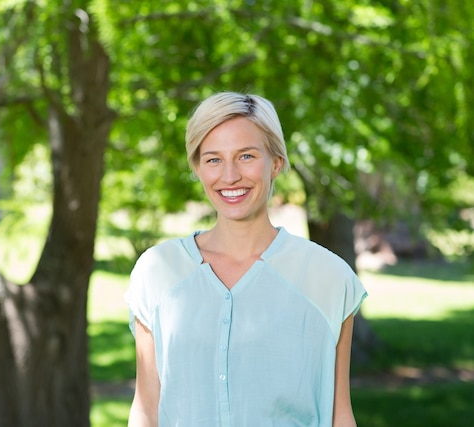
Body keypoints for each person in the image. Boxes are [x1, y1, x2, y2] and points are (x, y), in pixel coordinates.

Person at [125, 91, 368, 427]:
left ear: (276, 163)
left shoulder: (327, 277)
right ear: (197, 168)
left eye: (246, 156)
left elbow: (339, 414)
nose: (229, 176)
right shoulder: (157, 272)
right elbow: (146, 408)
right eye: (213, 159)